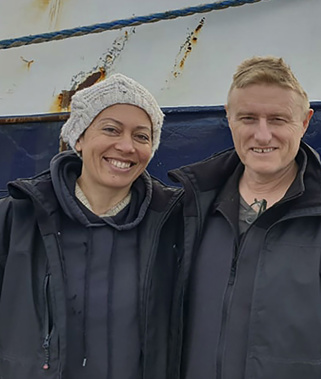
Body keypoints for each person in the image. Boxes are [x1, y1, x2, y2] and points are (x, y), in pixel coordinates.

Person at [170, 56, 321, 379]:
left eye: (278, 119)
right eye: (248, 118)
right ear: (229, 118)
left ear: (305, 122)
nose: (263, 136)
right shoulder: (192, 207)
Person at [0, 74, 183, 379]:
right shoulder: (16, 219)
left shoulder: (173, 224)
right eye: (111, 129)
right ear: (80, 138)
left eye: (141, 136)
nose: (126, 146)